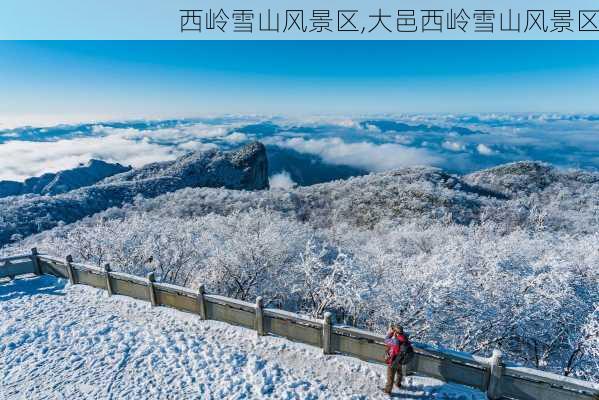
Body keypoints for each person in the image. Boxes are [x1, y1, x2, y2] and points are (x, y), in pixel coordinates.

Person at [383, 323, 413, 395]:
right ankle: (398, 384)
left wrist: (391, 332)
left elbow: (386, 340)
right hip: (401, 360)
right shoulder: (405, 339)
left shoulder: (395, 341)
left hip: (394, 360)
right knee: (399, 372)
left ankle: (387, 390)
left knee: (390, 376)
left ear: (396, 332)